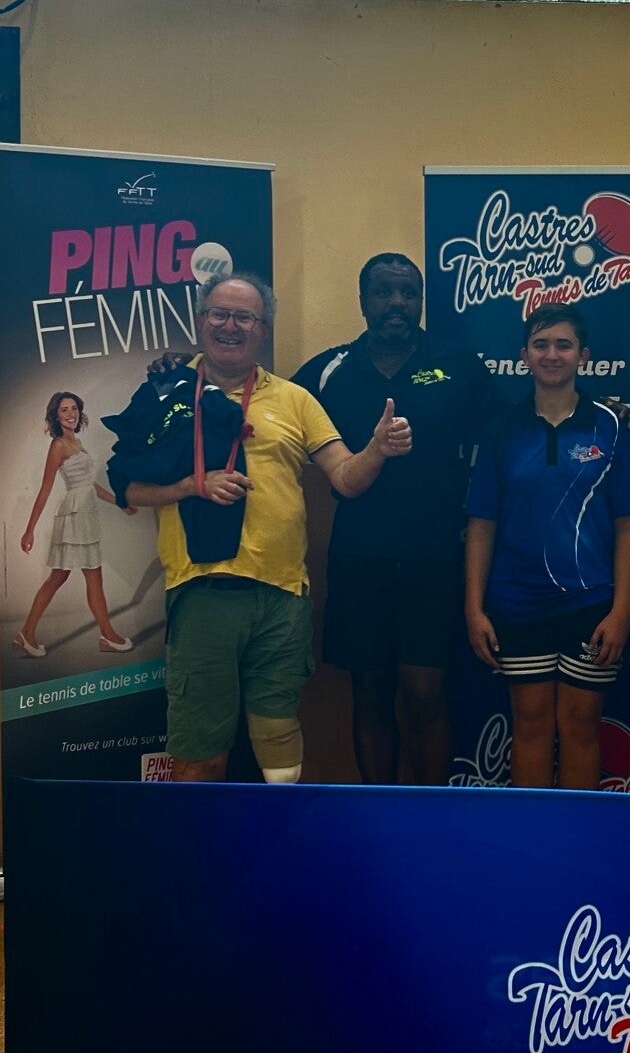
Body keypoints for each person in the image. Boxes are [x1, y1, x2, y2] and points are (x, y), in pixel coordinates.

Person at [120, 275, 411, 785]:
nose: (230, 326)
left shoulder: (295, 399)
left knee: (280, 756)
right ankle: (196, 843)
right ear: (200, 321)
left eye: (245, 317)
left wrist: (377, 449)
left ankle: (274, 838)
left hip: (283, 598)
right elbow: (126, 489)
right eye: (219, 313)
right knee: (200, 754)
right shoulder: (165, 392)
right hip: (204, 592)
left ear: (263, 330)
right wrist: (191, 486)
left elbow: (346, 478)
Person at [293, 254, 494, 786]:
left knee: (426, 693)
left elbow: (510, 432)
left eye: (408, 292)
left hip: (435, 557)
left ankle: (431, 815)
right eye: (384, 292)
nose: (397, 303)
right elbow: (262, 405)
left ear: (421, 300)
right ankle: (379, 812)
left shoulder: (458, 364)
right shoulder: (329, 370)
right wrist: (186, 371)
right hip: (359, 557)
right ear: (363, 301)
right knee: (370, 692)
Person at [465, 304, 630, 790]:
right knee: (530, 723)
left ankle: (575, 831)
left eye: (563, 345)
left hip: (590, 602)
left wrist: (622, 610)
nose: (551, 354)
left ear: (583, 356)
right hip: (517, 602)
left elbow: (629, 524)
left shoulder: (611, 427)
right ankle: (534, 832)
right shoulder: (502, 429)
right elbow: (482, 524)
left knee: (582, 725)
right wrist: (474, 609)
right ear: (524, 356)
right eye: (540, 344)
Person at [13, 391, 137, 657]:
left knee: (72, 577)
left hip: (85, 515)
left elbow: (89, 485)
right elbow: (45, 489)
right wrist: (29, 530)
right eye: (64, 410)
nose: (71, 414)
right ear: (56, 417)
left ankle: (28, 633)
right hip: (73, 517)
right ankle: (107, 635)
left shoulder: (77, 442)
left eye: (74, 409)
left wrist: (119, 503)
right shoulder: (58, 445)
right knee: (75, 577)